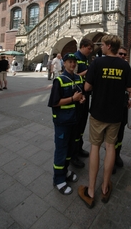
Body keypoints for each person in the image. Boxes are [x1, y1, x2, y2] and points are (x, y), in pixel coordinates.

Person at [78, 35, 131, 208]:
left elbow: (87, 87)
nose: (100, 47)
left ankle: (90, 191)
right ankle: (104, 187)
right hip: (115, 114)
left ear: (109, 46)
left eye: (102, 44)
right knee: (110, 147)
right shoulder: (124, 65)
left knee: (95, 147)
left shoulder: (97, 63)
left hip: (98, 112)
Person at [48, 53, 85, 195]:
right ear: (64, 63)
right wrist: (72, 98)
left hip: (74, 120)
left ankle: (64, 171)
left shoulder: (78, 78)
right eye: (69, 62)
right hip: (62, 121)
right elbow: (54, 103)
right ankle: (58, 179)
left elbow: (80, 95)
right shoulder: (59, 80)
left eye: (74, 62)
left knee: (70, 149)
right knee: (61, 150)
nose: (72, 64)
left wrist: (80, 99)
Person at [71, 38, 94, 168]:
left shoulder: (84, 58)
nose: (90, 51)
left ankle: (79, 148)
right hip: (78, 95)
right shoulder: (75, 57)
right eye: (89, 49)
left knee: (82, 123)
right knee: (76, 124)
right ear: (83, 46)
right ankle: (73, 155)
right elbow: (73, 75)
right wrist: (88, 71)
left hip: (85, 94)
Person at [113, 46, 131, 173]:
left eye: (124, 54)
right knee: (111, 135)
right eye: (120, 53)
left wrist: (130, 99)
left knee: (120, 133)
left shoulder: (127, 67)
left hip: (122, 104)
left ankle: (117, 155)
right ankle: (111, 158)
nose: (122, 56)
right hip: (111, 106)